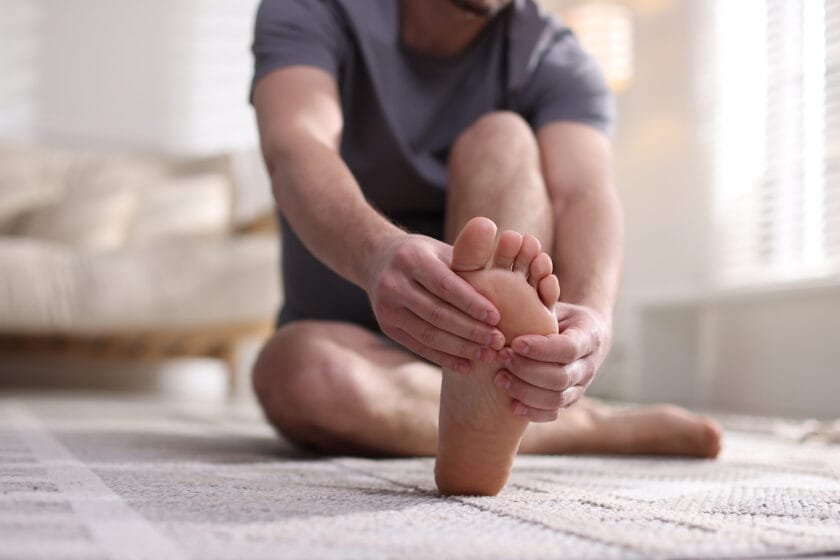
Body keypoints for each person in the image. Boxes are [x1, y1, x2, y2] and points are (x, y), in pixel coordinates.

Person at [249, 0, 722, 496]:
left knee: (504, 136)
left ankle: (487, 380)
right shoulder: (312, 9)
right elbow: (297, 144)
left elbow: (583, 193)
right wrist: (378, 254)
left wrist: (592, 318)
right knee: (300, 375)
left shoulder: (555, 58)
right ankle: (581, 426)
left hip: (492, 346)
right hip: (355, 344)